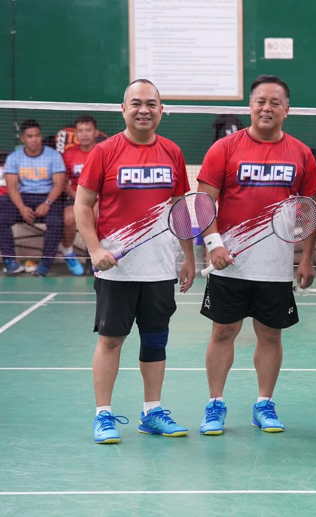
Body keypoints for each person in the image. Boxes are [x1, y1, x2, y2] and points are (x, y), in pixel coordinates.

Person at [196, 75, 316, 435]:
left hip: (275, 265)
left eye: (275, 102)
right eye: (260, 101)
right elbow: (204, 204)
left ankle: (264, 404)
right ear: (249, 106)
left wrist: (308, 258)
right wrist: (213, 245)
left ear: (287, 109)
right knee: (223, 333)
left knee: (270, 335)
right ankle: (215, 405)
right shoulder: (224, 149)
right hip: (229, 262)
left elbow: (311, 209)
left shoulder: (300, 153)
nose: (266, 107)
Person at [75, 79, 195, 444]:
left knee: (156, 341)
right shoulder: (104, 152)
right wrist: (95, 249)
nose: (144, 109)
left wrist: (188, 255)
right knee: (111, 341)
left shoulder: (172, 152)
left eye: (152, 104)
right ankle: (103, 415)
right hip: (117, 268)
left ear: (162, 110)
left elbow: (179, 208)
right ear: (123, 109)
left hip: (159, 268)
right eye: (137, 103)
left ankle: (152, 412)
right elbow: (82, 204)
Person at [0, 119, 66, 277]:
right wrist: (22, 207)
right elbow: (11, 186)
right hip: (22, 198)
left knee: (56, 223)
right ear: (23, 138)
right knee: (1, 216)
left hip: (48, 197)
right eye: (30, 136)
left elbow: (59, 184)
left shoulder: (53, 156)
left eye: (37, 135)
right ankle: (10, 262)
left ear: (41, 136)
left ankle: (45, 265)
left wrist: (47, 203)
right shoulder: (14, 158)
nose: (34, 139)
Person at [61, 115, 103, 276]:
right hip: (74, 197)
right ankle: (68, 252)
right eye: (81, 131)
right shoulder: (68, 154)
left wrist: (97, 200)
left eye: (88, 130)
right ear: (76, 133)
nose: (84, 134)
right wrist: (79, 199)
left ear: (95, 132)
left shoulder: (103, 152)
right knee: (69, 219)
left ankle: (92, 257)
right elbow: (64, 182)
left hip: (99, 199)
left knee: (95, 216)